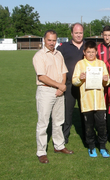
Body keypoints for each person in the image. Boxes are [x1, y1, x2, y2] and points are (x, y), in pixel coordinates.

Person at [33, 30, 73, 164]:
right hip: (45, 91)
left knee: (58, 121)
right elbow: (42, 76)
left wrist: (61, 86)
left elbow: (64, 72)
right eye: (49, 40)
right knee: (43, 123)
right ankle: (41, 152)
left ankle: (59, 145)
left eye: (54, 40)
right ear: (44, 40)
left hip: (59, 91)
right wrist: (59, 86)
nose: (52, 43)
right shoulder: (39, 56)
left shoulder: (59, 54)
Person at [72, 41, 110, 158]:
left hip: (99, 103)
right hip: (86, 102)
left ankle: (102, 147)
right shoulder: (80, 64)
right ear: (84, 52)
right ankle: (92, 147)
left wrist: (105, 79)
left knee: (102, 126)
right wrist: (80, 78)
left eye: (93, 52)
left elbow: (107, 81)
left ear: (96, 52)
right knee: (88, 127)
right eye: (88, 52)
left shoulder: (101, 63)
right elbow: (74, 81)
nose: (91, 54)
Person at [57, 23, 85, 144]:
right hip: (69, 85)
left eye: (80, 33)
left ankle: (87, 135)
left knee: (85, 111)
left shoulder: (87, 46)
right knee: (67, 112)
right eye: (76, 33)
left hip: (85, 85)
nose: (79, 35)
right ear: (72, 34)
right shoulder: (63, 47)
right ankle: (64, 136)